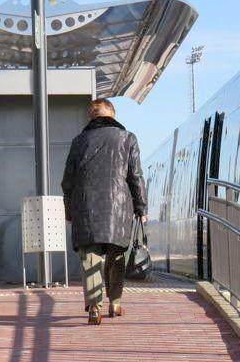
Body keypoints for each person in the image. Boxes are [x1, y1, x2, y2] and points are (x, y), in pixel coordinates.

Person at [61, 98, 147, 325]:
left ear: (91, 117)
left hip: (85, 206)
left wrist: (69, 210)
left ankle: (94, 307)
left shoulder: (79, 141)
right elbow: (135, 177)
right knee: (116, 255)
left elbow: (67, 182)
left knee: (90, 258)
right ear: (113, 115)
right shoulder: (128, 138)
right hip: (119, 208)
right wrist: (141, 207)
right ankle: (115, 303)